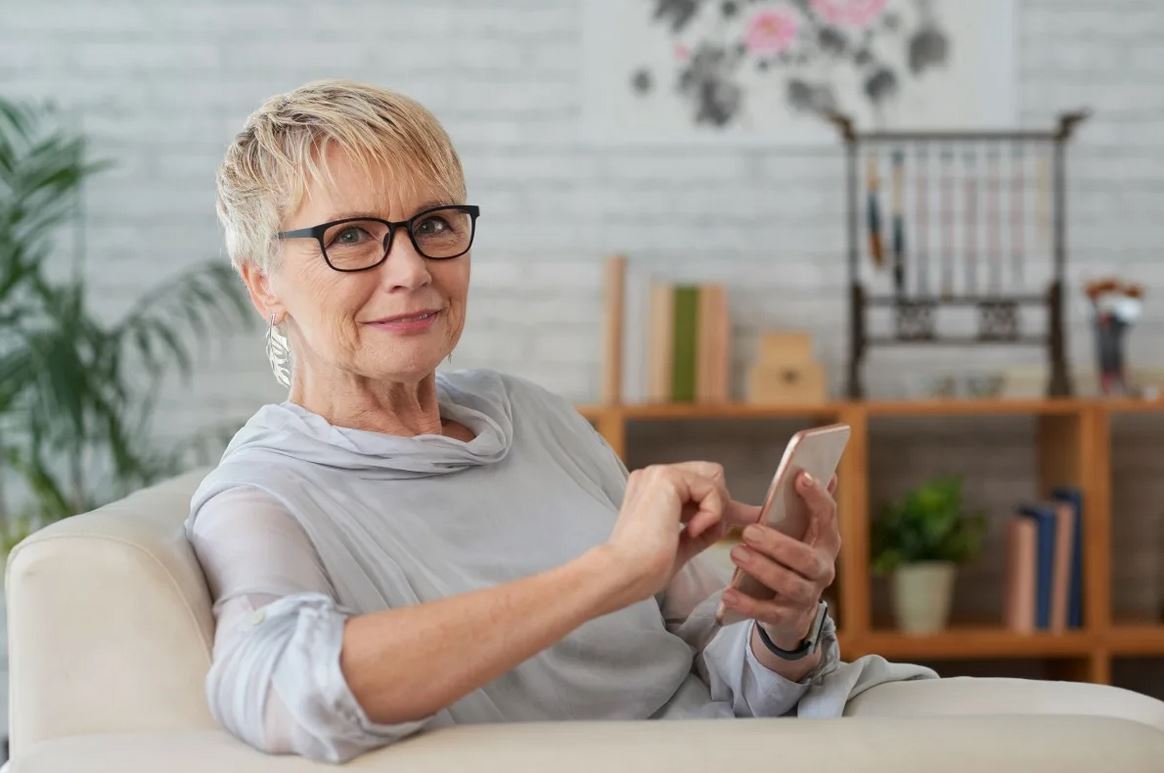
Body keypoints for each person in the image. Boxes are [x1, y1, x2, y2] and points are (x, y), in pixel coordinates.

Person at [187, 78, 935, 765]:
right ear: (263, 285)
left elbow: (725, 662)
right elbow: (280, 691)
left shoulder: (531, 415)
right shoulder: (263, 492)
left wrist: (783, 623)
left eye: (435, 223)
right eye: (351, 235)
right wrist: (608, 573)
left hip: (778, 737)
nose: (411, 267)